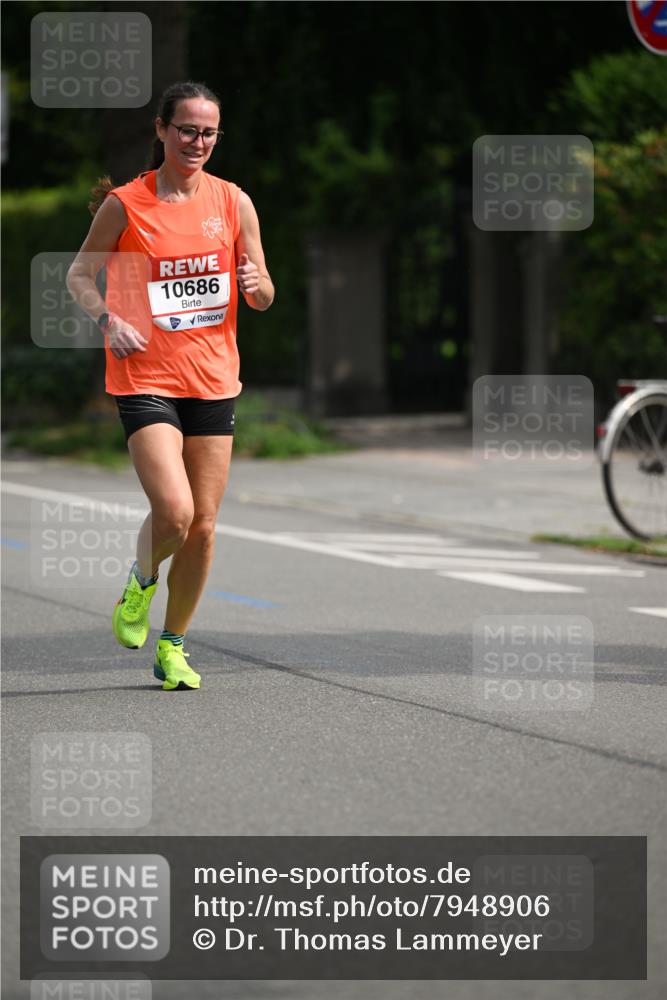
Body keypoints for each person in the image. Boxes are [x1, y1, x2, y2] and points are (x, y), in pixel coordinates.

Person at [67, 81, 274, 691]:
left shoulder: (233, 202)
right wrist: (108, 318)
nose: (197, 141)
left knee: (204, 526)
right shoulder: (127, 205)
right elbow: (79, 274)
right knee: (176, 512)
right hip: (144, 374)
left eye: (208, 132)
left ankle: (174, 645)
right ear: (161, 131)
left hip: (213, 379)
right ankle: (140, 583)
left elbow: (264, 295)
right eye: (186, 129)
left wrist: (255, 283)